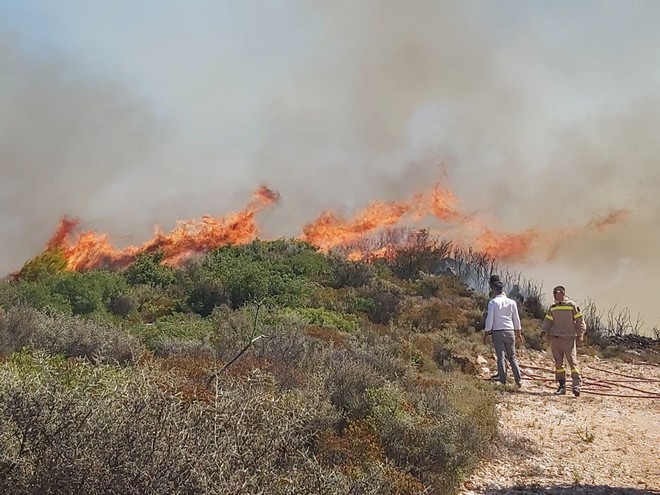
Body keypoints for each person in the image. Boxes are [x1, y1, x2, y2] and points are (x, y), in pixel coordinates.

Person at [540, 285, 586, 397]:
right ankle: (562, 387)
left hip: (568, 338)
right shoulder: (553, 307)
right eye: (554, 293)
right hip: (555, 338)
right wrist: (543, 332)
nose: (555, 295)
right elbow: (548, 321)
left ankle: (576, 386)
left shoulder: (572, 306)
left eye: (557, 293)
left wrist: (581, 334)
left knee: (572, 363)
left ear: (562, 293)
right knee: (558, 364)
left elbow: (580, 320)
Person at [483, 281, 524, 386]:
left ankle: (502, 378)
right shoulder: (512, 302)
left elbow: (490, 319)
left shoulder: (493, 302)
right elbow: (516, 319)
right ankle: (518, 379)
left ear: (494, 290)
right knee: (512, 356)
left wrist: (487, 333)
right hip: (510, 331)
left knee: (500, 356)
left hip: (498, 332)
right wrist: (518, 333)